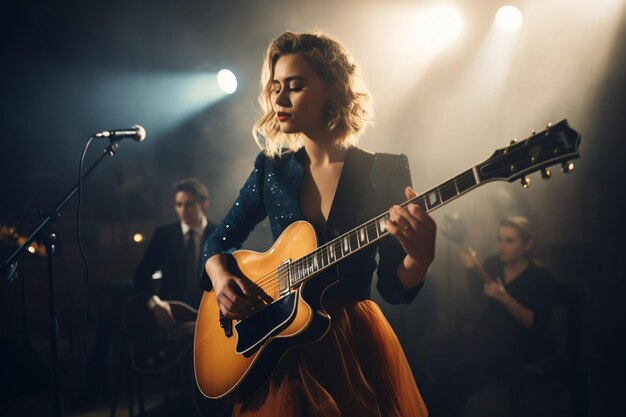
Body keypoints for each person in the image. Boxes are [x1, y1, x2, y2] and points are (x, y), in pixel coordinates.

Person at [201, 31, 436, 417]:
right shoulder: (271, 168)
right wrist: (222, 279)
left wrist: (421, 258)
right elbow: (216, 243)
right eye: (275, 87)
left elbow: (393, 288)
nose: (278, 99)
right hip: (278, 344)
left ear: (333, 88)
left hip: (352, 345)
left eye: (294, 86)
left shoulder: (385, 169)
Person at [421, 215, 558, 417]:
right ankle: (442, 403)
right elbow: (477, 296)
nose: (502, 246)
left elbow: (535, 323)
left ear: (527, 245)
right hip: (485, 336)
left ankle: (443, 403)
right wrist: (470, 268)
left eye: (510, 241)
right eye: (500, 239)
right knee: (434, 349)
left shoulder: (541, 277)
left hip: (517, 346)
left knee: (461, 371)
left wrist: (505, 298)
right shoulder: (494, 264)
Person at [134, 177, 216, 316]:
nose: (183, 210)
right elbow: (140, 277)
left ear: (205, 203)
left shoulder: (219, 234)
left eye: (189, 204)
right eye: (179, 204)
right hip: (170, 317)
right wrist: (154, 304)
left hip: (209, 316)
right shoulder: (163, 235)